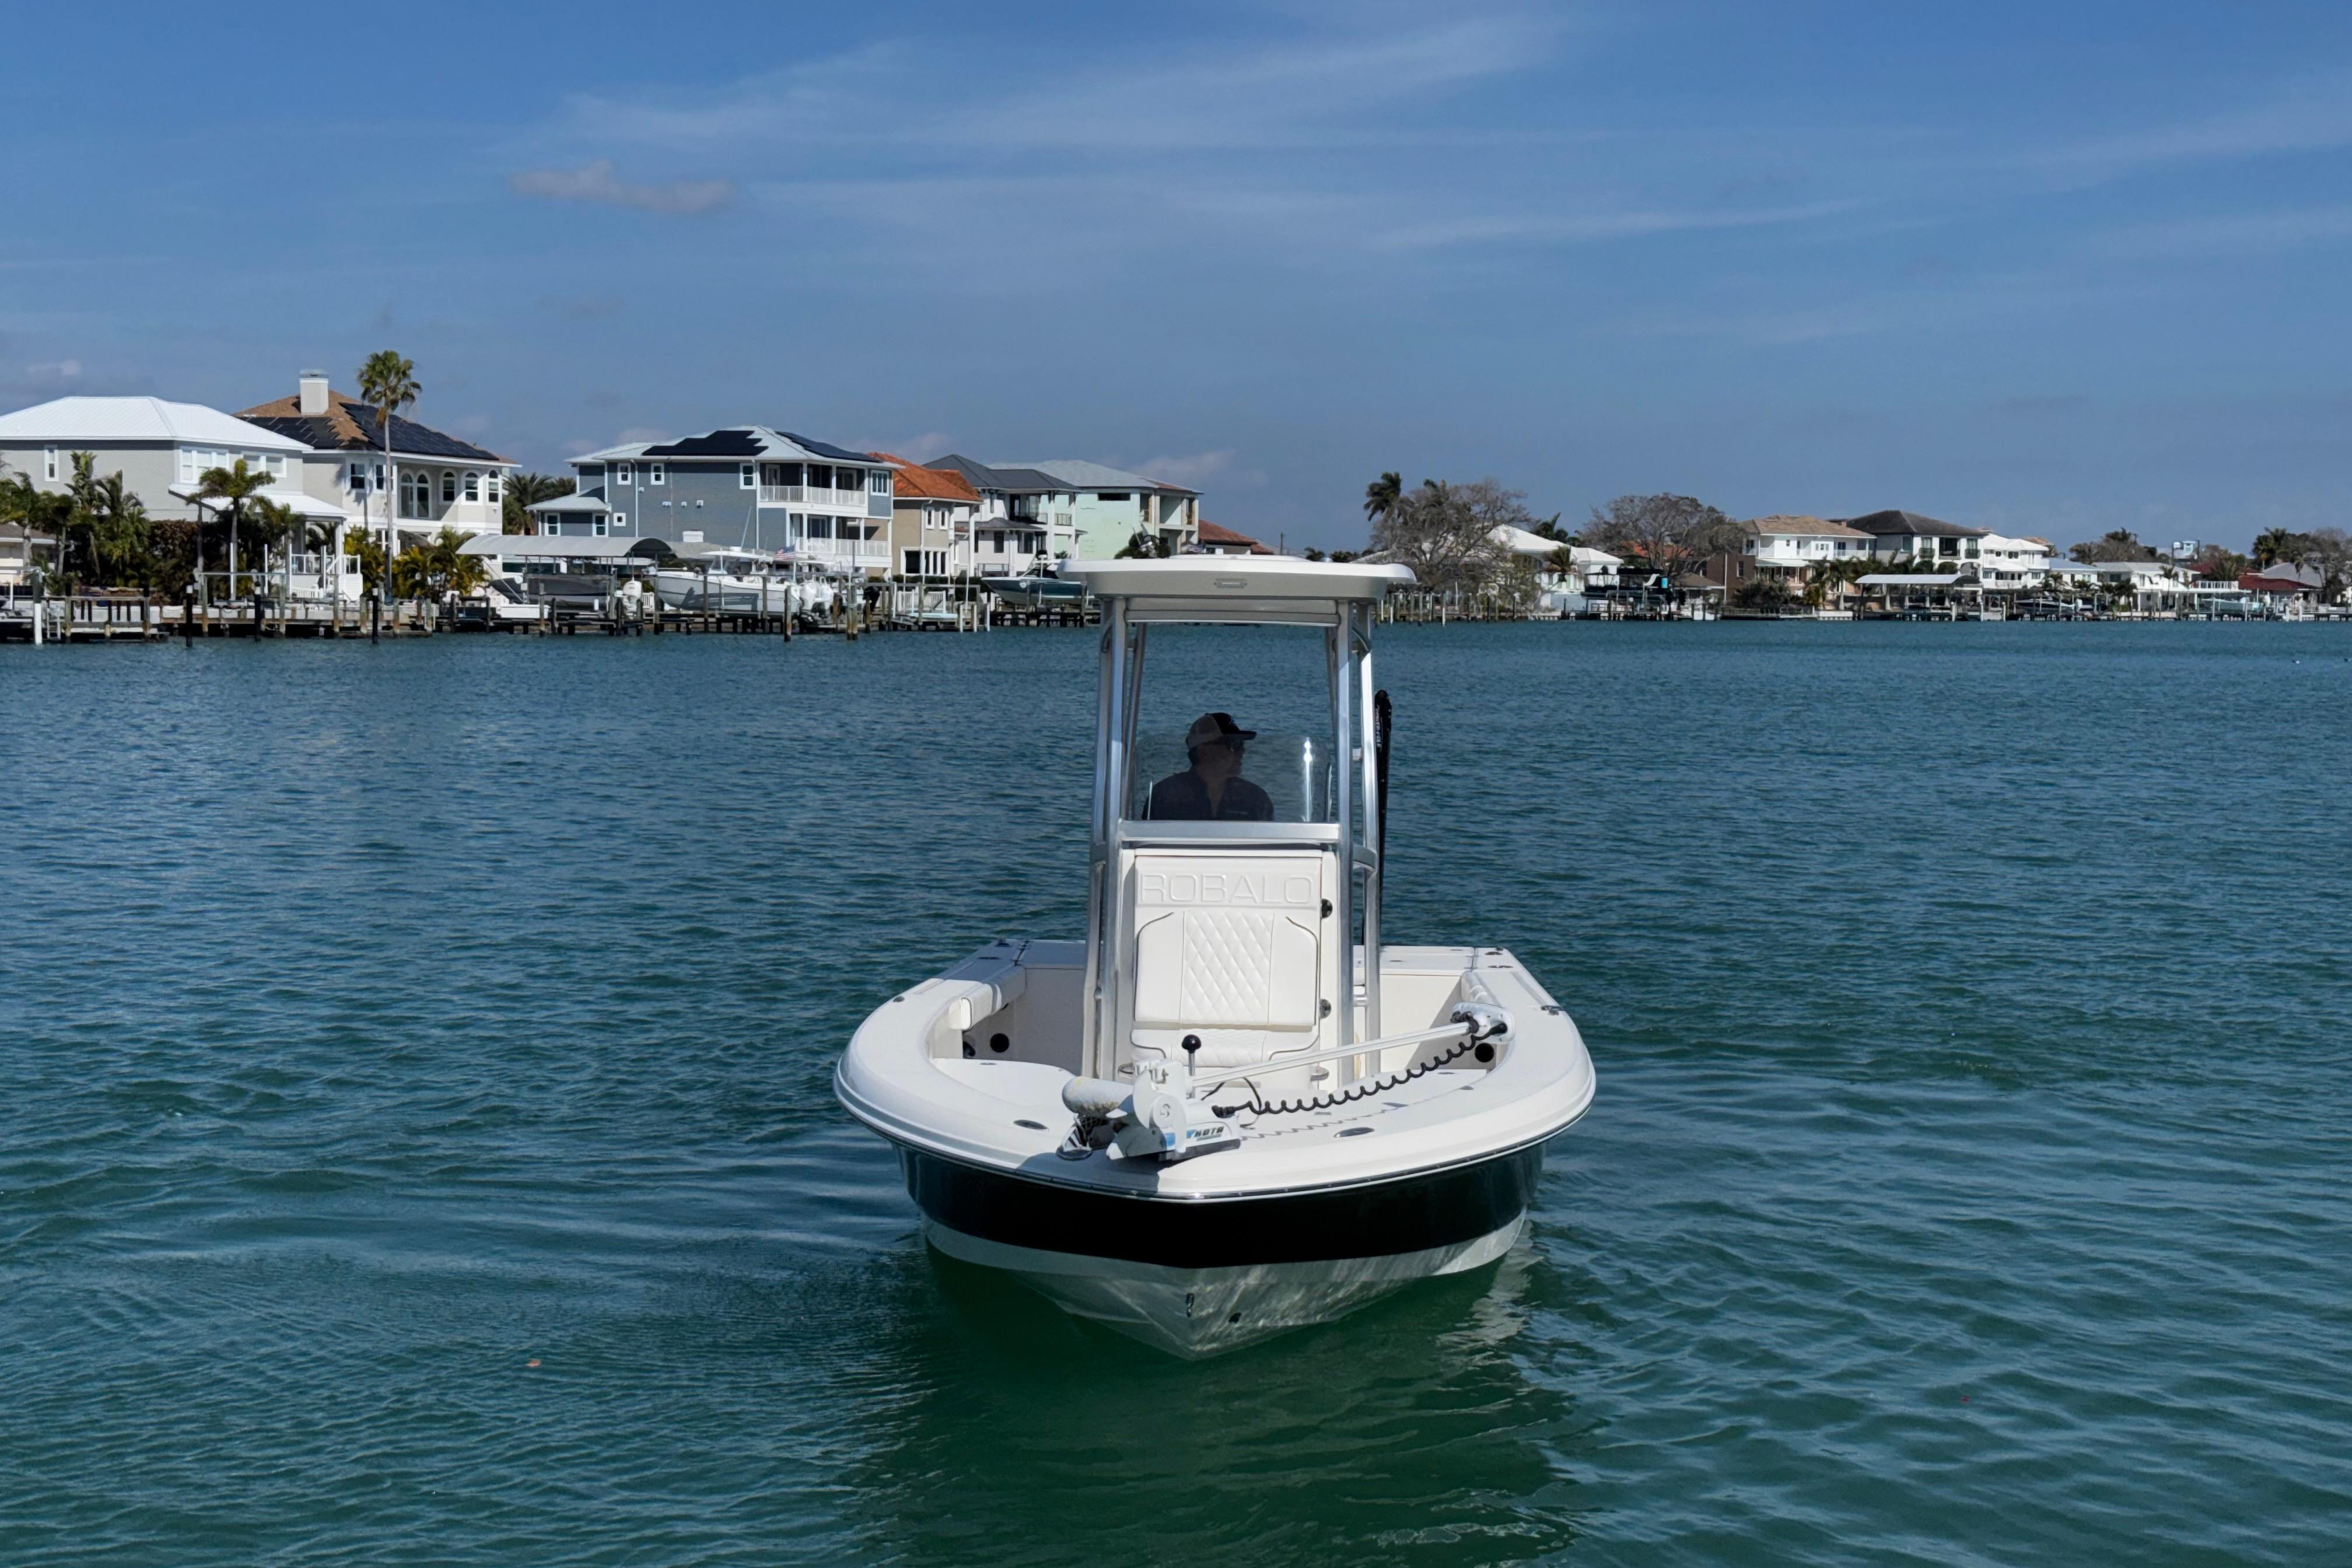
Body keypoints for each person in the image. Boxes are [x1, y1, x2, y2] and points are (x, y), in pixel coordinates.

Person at [1149, 712, 1275, 821]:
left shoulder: (1255, 798)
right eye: (1233, 745)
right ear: (1203, 752)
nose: (1241, 752)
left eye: (1241, 745)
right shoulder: (1164, 795)